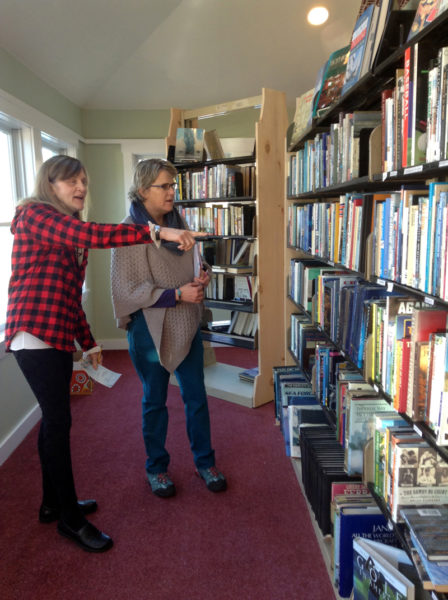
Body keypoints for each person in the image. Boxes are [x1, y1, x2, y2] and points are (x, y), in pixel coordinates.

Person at [5, 155, 203, 553]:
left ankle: (52, 503)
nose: (80, 187)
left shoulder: (67, 233)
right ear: (49, 185)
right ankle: (70, 520)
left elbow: (66, 295)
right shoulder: (34, 216)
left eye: (83, 180)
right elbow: (98, 236)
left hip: (57, 335)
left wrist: (89, 340)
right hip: (32, 335)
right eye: (69, 181)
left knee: (53, 423)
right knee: (59, 425)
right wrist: (158, 232)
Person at [110, 158, 227, 498]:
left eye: (173, 185)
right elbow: (126, 292)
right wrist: (177, 294)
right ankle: (156, 468)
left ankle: (205, 462)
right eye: (164, 186)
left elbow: (193, 261)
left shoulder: (179, 223)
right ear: (143, 190)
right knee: (154, 400)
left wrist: (202, 272)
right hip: (149, 327)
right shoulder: (129, 231)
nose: (172, 192)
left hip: (187, 322)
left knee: (196, 396)